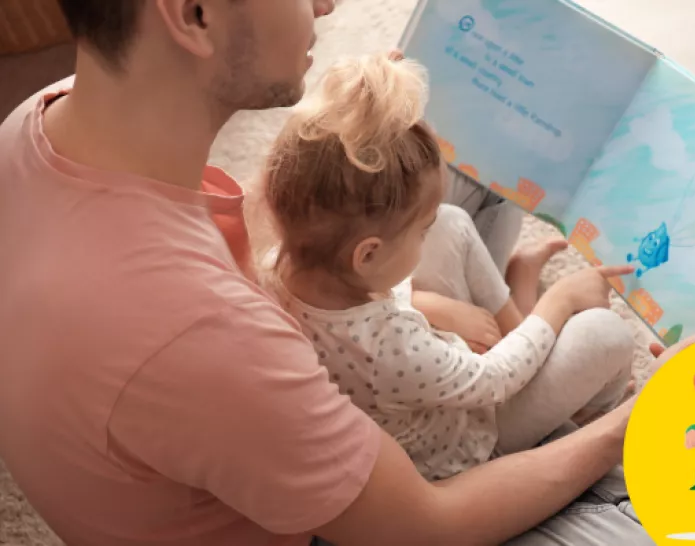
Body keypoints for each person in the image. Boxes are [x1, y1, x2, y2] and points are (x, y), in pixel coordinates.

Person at [0, 1, 695, 545]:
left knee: (435, 180)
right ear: (192, 15)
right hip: (389, 513)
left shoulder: (40, 123)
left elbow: (270, 234)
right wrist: (645, 415)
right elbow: (429, 526)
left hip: (263, 415)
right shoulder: (205, 338)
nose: (327, 6)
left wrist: (348, 136)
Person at [261, 52, 634, 479]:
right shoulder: (388, 346)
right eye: (420, 232)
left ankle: (519, 309)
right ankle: (583, 419)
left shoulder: (282, 265)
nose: (425, 237)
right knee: (605, 334)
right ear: (366, 255)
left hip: (436, 371)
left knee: (452, 222)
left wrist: (428, 303)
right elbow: (494, 377)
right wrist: (561, 302)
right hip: (474, 436)